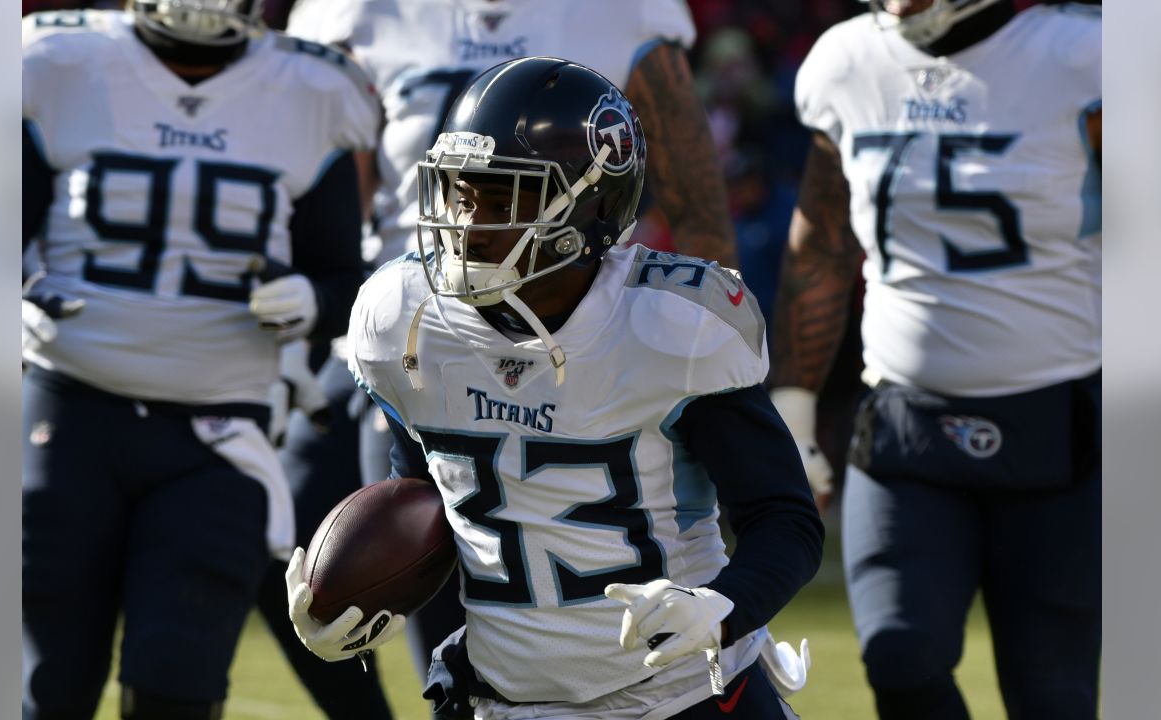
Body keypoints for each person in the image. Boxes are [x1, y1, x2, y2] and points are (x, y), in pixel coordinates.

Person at [285, 57, 824, 720]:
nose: (466, 222)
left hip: (683, 694)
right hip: (506, 700)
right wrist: (360, 590)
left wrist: (722, 607)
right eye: (459, 191)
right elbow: (429, 495)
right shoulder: (406, 314)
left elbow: (785, 519)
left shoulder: (671, 327)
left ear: (593, 203)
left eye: (502, 195)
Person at [20, 1, 379, 717]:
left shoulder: (312, 87)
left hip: (216, 438)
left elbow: (345, 278)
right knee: (43, 685)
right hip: (69, 414)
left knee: (175, 688)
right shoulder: (57, 60)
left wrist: (311, 301)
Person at [768, 1, 1101, 717]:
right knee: (900, 658)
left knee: (1054, 696)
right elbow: (822, 245)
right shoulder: (849, 61)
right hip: (906, 427)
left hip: (1065, 430)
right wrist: (793, 408)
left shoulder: (1086, 58)